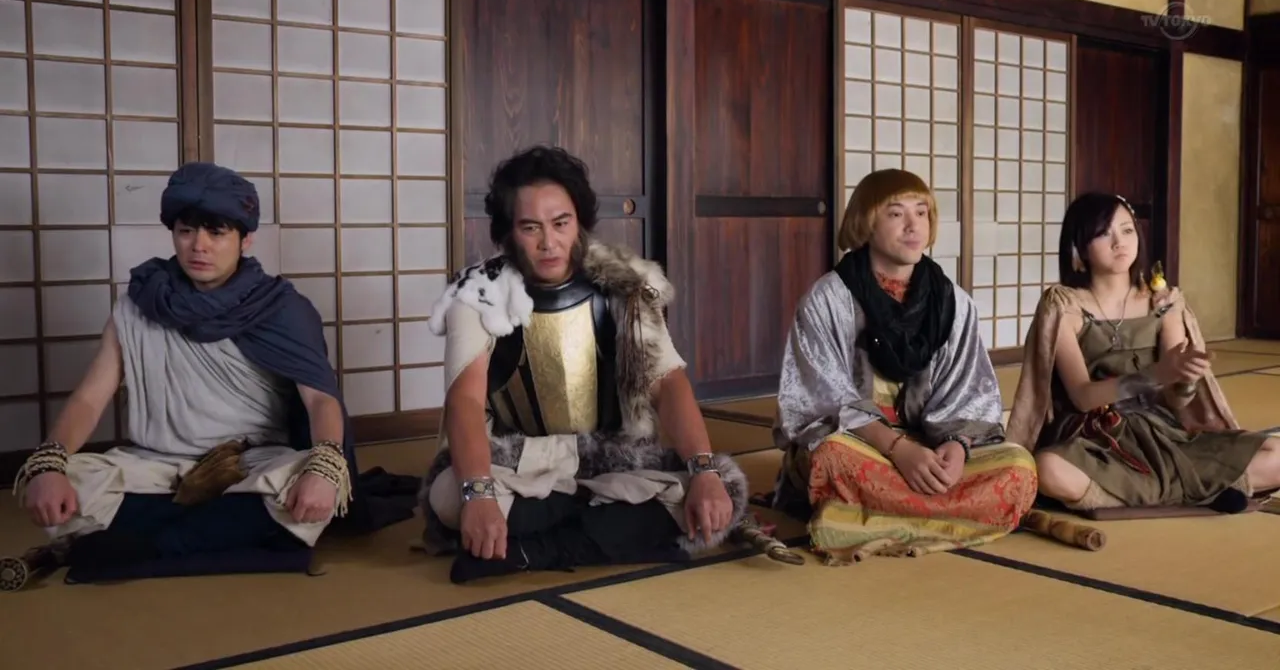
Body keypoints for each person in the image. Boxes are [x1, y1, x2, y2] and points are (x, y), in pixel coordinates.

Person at [6, 162, 415, 589]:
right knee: (67, 483)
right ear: (173, 233)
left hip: (248, 465)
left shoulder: (280, 308)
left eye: (216, 233)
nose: (198, 246)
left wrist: (325, 467)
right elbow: (90, 398)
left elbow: (320, 399)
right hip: (156, 466)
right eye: (186, 231)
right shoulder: (139, 305)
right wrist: (50, 463)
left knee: (304, 482)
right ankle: (199, 536)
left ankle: (137, 540)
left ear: (245, 238)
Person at [419, 145, 750, 584]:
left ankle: (531, 550)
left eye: (561, 223)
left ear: (579, 222)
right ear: (508, 232)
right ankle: (612, 533)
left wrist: (703, 471)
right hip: (521, 462)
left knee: (721, 490)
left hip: (612, 459)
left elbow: (668, 382)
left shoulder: (624, 284)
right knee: (449, 497)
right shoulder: (480, 293)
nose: (549, 242)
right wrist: (479, 493)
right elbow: (465, 401)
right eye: (530, 228)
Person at [770, 169, 1038, 565]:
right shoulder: (829, 299)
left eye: (922, 212)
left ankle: (865, 521)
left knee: (1019, 467)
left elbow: (970, 393)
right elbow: (820, 398)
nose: (914, 226)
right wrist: (898, 450)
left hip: (929, 447)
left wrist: (956, 449)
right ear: (866, 222)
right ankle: (954, 518)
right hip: (863, 444)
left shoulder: (954, 302)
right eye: (896, 214)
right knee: (831, 457)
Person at [1005, 192, 1280, 512]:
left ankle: (1145, 495)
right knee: (1048, 469)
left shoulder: (1163, 303)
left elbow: (1176, 400)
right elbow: (1082, 396)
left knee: (1276, 454)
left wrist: (1186, 379)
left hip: (1163, 434)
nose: (1119, 242)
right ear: (1079, 247)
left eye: (1127, 230)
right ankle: (1197, 490)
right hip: (1094, 438)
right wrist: (1155, 374)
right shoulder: (1064, 306)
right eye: (1103, 233)